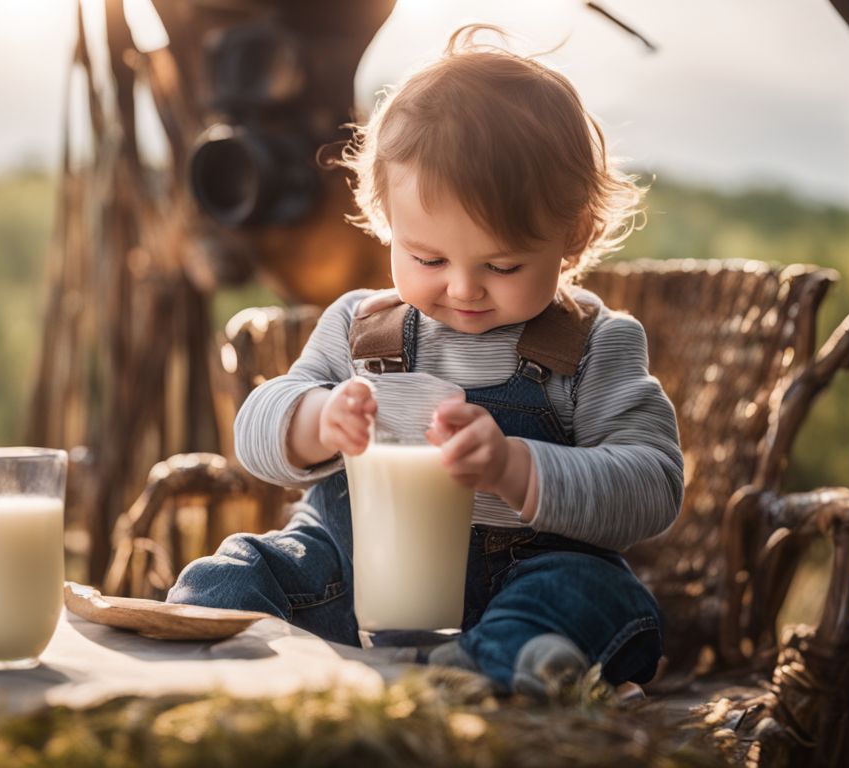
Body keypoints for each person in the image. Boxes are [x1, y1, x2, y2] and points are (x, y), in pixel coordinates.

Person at [167, 24, 683, 696]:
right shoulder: (360, 328)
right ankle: (245, 669)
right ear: (385, 218)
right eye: (428, 259)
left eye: (501, 264)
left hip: (519, 586)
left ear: (574, 234)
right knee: (233, 573)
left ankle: (491, 672)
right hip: (353, 580)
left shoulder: (594, 345)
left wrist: (516, 467)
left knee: (591, 594)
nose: (463, 288)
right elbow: (254, 432)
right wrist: (318, 420)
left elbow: (653, 485)